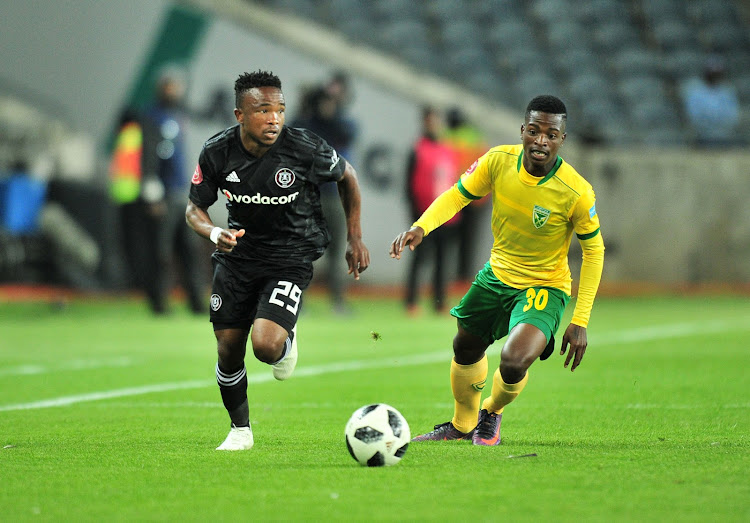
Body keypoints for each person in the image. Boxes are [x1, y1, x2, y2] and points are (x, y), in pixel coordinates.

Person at [390, 95, 604, 445]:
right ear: (522, 130)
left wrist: (580, 320)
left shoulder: (576, 191)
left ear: (562, 139)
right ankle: (461, 426)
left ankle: (491, 412)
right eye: (534, 131)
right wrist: (421, 227)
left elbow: (594, 250)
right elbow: (458, 194)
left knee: (513, 361)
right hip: (497, 275)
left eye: (551, 134)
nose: (541, 141)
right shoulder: (497, 161)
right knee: (465, 346)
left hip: (544, 287)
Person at [186, 70, 370, 451]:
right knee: (227, 346)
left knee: (266, 346)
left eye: (280, 110)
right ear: (240, 115)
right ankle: (240, 431)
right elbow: (194, 209)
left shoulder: (303, 147)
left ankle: (285, 338)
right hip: (238, 256)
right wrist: (213, 232)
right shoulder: (217, 151)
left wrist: (354, 237)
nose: (274, 119)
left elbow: (347, 175)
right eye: (263, 110)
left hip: (290, 256)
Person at [138, 68, 206, 314]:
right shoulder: (151, 115)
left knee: (189, 250)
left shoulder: (178, 114)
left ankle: (196, 303)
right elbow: (147, 156)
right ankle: (159, 303)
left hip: (182, 194)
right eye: (169, 85)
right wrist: (151, 192)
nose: (174, 90)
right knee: (162, 252)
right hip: (163, 193)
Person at [292, 72, 359, 314]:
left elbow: (349, 133)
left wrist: (333, 112)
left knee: (337, 250)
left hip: (335, 194)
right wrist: (308, 107)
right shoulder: (308, 123)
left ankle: (338, 300)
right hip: (310, 195)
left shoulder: (339, 124)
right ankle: (298, 301)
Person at [404, 106, 460, 314]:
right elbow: (409, 185)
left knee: (442, 261)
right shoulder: (417, 149)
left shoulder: (447, 149)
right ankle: (411, 301)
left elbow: (454, 183)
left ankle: (439, 302)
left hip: (445, 216)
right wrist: (415, 216)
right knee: (419, 258)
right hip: (423, 215)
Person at [442, 107, 489, 282]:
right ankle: (462, 277)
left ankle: (451, 277)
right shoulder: (474, 136)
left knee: (450, 238)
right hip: (472, 195)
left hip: (457, 194)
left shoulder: (445, 136)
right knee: (468, 239)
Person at [680, 57, 740, 148]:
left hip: (724, 136)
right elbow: (693, 115)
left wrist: (722, 127)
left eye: (717, 73)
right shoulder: (695, 92)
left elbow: (733, 114)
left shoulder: (727, 92)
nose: (714, 76)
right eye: (711, 73)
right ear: (706, 73)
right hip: (703, 137)